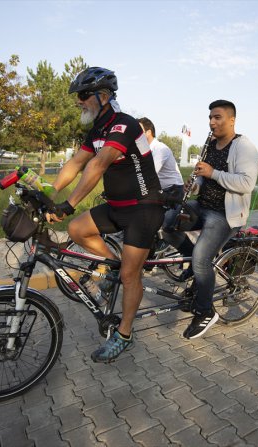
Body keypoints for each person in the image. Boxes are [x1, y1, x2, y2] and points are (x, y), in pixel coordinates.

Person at [45, 66, 165, 362]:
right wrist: (49, 196)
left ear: (103, 95)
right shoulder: (97, 129)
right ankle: (111, 264)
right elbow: (76, 163)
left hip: (143, 209)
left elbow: (97, 166)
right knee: (77, 230)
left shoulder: (124, 125)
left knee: (129, 274)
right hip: (117, 207)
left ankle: (124, 335)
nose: (78, 101)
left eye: (83, 95)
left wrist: (69, 203)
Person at [162, 99, 258, 339]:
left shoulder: (243, 146)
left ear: (232, 119)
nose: (212, 122)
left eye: (217, 117)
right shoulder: (211, 145)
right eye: (210, 118)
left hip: (226, 214)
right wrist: (194, 184)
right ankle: (197, 273)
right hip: (202, 205)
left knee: (201, 259)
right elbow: (204, 180)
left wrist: (212, 173)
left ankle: (205, 312)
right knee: (168, 225)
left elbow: (247, 183)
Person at [138, 117, 184, 198]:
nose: (136, 134)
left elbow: (149, 174)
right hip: (160, 189)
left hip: (173, 190)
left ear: (148, 132)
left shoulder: (161, 149)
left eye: (138, 130)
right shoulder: (143, 149)